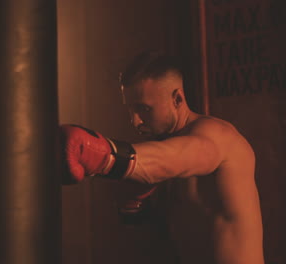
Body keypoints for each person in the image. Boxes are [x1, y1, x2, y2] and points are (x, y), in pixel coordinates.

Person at [60, 51, 265, 264]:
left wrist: (102, 155)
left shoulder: (217, 135)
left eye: (144, 109)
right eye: (130, 110)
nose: (135, 121)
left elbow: (179, 156)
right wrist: (133, 209)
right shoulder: (159, 149)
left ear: (177, 99)